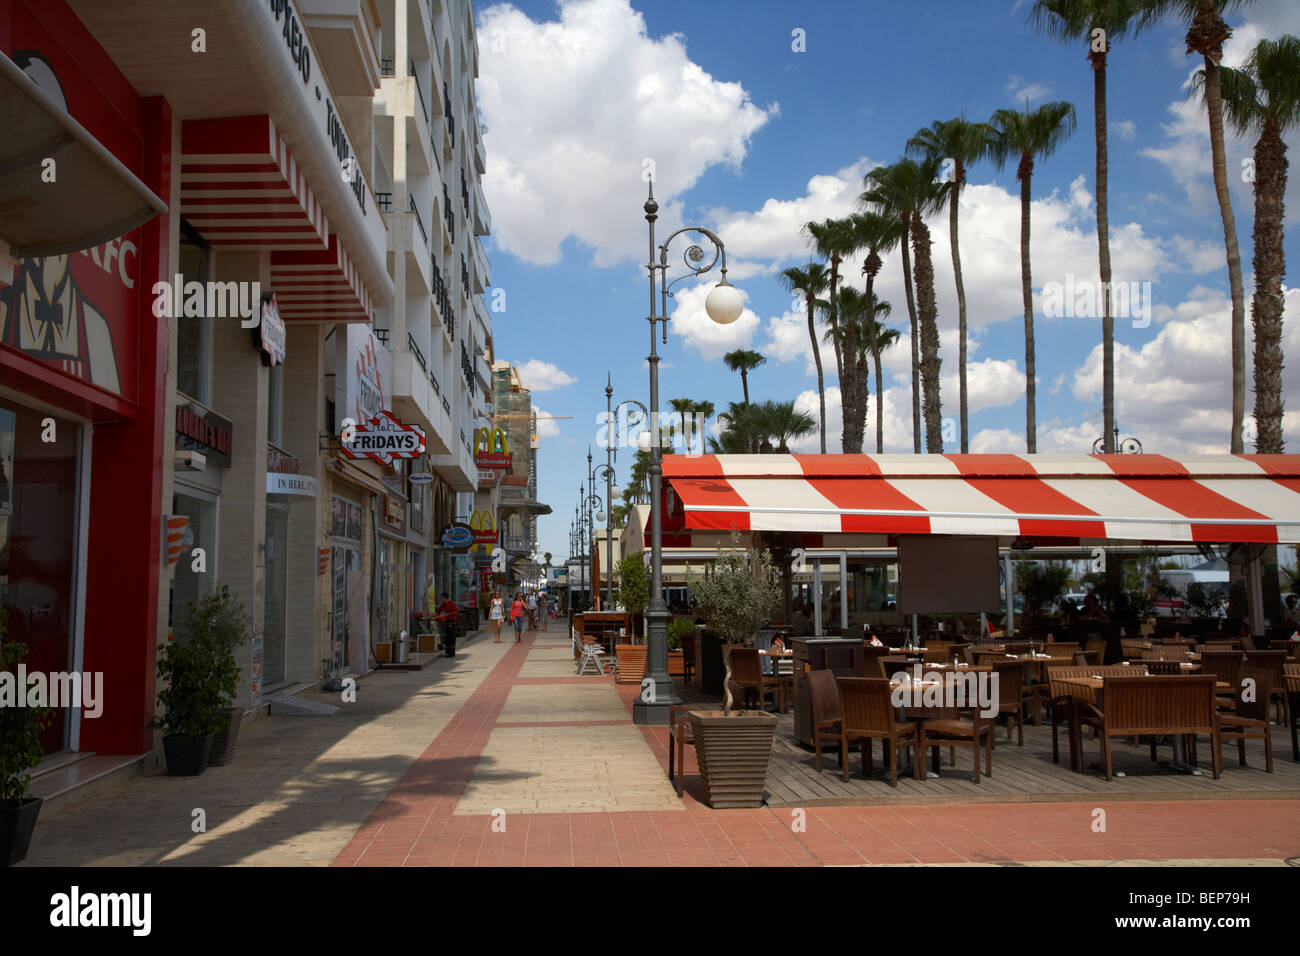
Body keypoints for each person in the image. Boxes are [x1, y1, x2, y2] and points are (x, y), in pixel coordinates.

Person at [436, 592, 460, 656]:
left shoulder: (451, 604)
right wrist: (432, 615)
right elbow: (438, 611)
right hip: (446, 622)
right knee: (447, 638)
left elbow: (456, 612)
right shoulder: (443, 604)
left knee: (451, 638)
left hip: (452, 622)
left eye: (441, 598)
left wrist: (447, 614)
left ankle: (451, 653)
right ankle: (447, 652)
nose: (441, 599)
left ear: (445, 598)